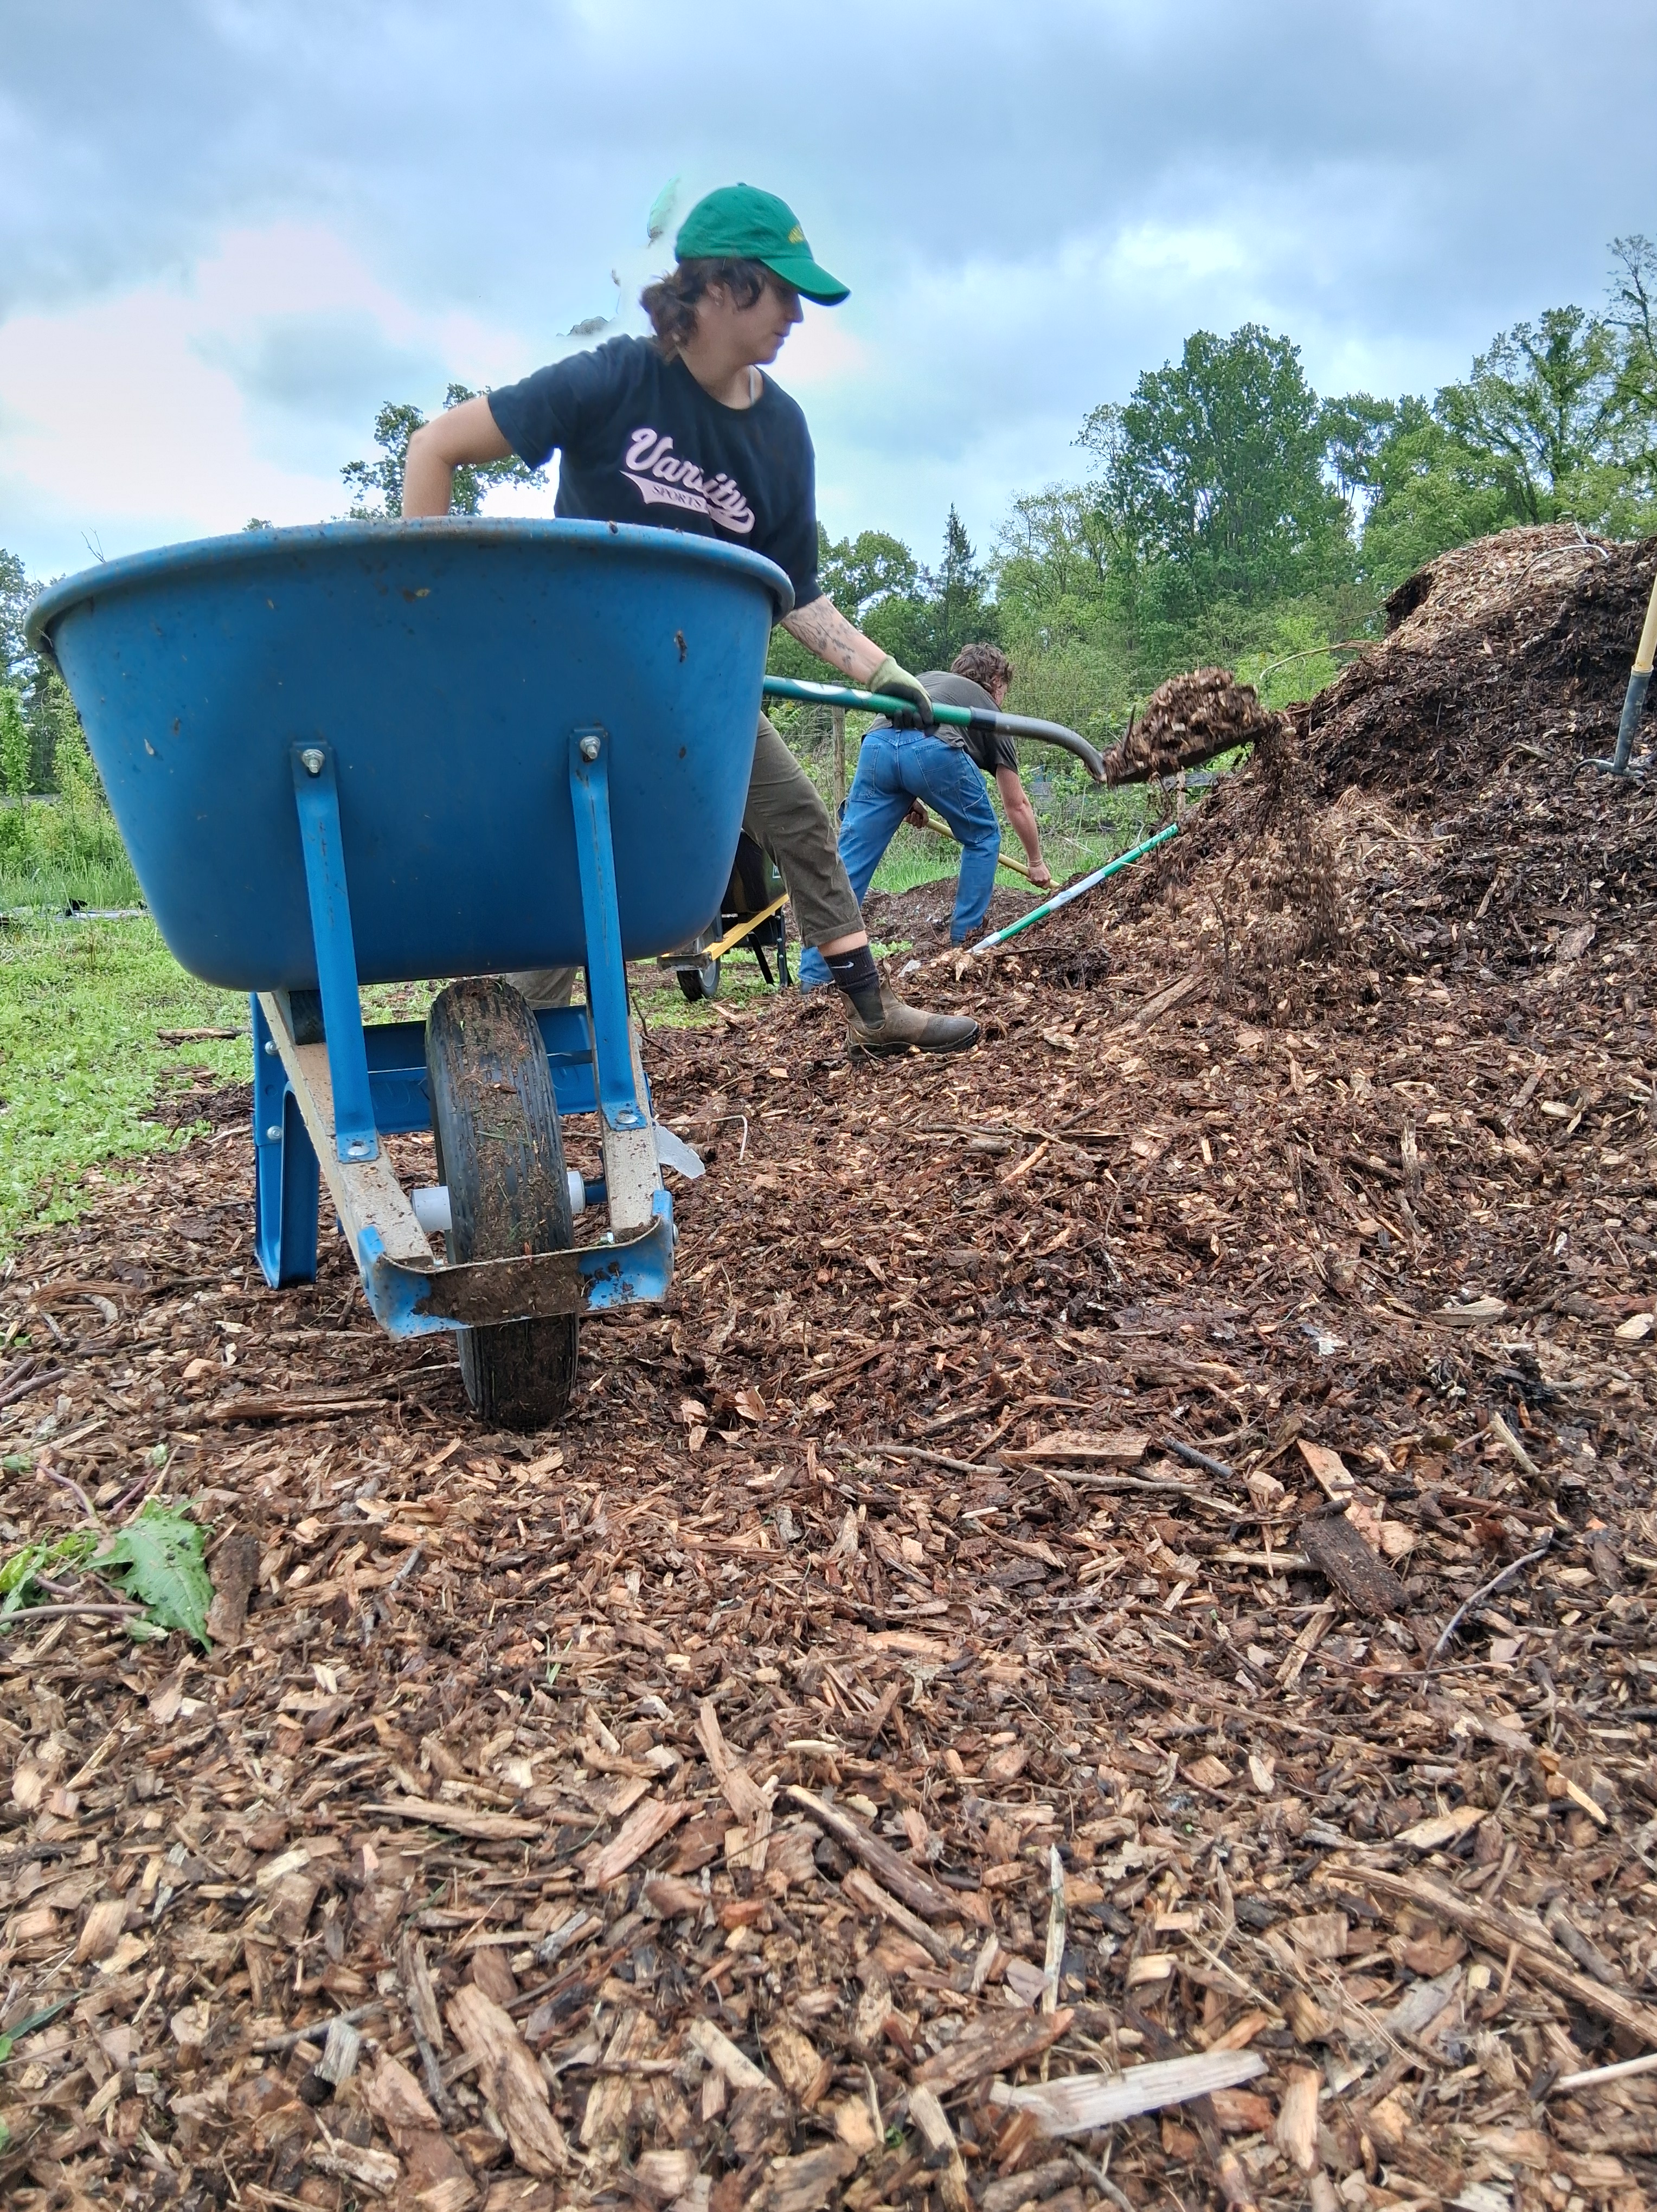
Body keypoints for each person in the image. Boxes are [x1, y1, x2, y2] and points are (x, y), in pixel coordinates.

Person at [400, 182, 978, 1058]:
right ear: (716, 287)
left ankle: (873, 1013)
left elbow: (795, 589)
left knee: (800, 821)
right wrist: (426, 629)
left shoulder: (780, 431)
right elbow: (435, 446)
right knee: (582, 863)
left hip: (704, 691)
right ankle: (498, 1058)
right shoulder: (614, 379)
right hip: (581, 684)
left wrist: (880, 669)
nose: (796, 315)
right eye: (780, 291)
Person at [797, 644, 1051, 991]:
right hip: (934, 750)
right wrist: (1036, 862)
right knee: (982, 838)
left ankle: (814, 977)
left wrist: (907, 796)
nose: (1002, 698)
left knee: (850, 862)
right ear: (996, 682)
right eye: (1004, 690)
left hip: (876, 748)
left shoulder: (928, 680)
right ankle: (965, 947)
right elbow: (1017, 804)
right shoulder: (988, 708)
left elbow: (900, 738)